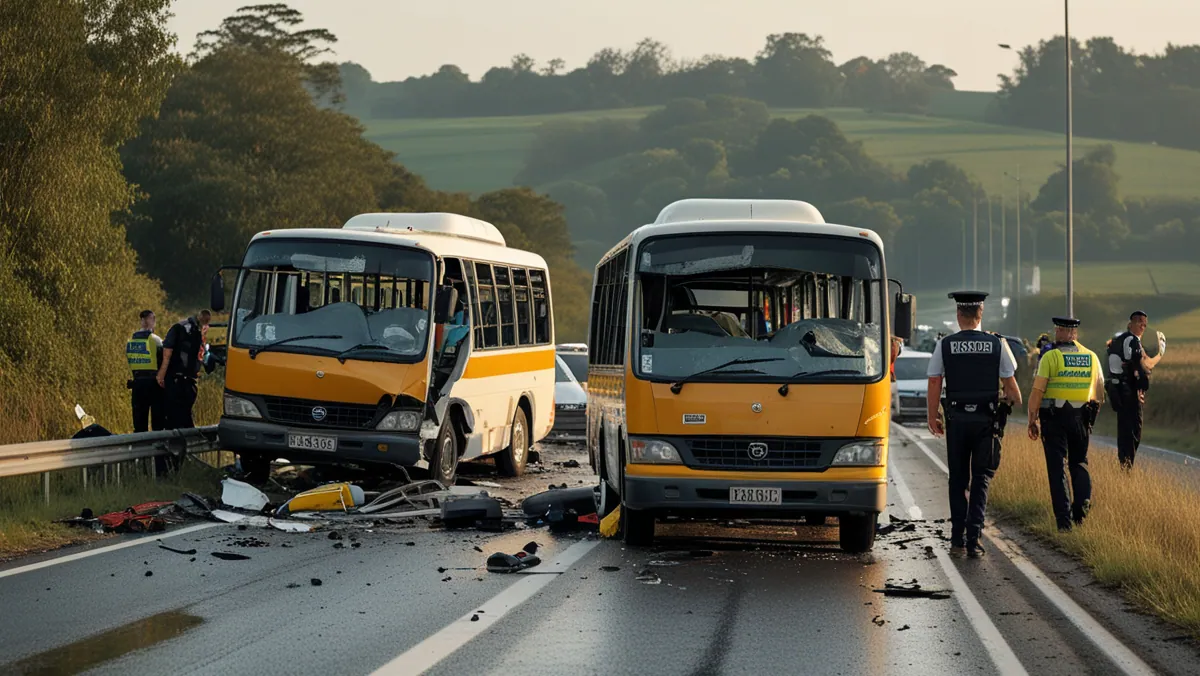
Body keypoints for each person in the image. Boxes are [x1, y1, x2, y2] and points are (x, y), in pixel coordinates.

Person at [926, 291, 1022, 559]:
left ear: (959, 315)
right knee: (981, 479)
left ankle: (956, 538)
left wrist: (933, 416)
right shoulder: (996, 344)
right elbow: (1012, 390)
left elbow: (935, 381)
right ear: (981, 314)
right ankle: (974, 538)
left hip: (956, 421)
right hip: (986, 423)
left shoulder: (945, 345)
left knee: (957, 479)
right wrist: (1008, 398)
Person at [1027, 317, 1105, 531]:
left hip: (1054, 418)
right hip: (1082, 417)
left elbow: (1037, 392)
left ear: (1063, 332)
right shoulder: (1091, 357)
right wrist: (1090, 420)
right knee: (1079, 462)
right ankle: (1081, 506)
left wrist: (1032, 419)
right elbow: (1099, 392)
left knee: (1057, 469)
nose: (1057, 333)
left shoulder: (1051, 356)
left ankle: (1064, 523)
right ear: (1075, 334)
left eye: (1058, 330)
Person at [1105, 311, 1166, 469]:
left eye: (1144, 323)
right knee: (1133, 432)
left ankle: (1124, 465)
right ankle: (1126, 467)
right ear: (1131, 323)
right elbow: (1137, 365)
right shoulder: (1132, 341)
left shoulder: (1118, 340)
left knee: (1124, 430)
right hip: (1129, 392)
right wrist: (1143, 386)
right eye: (1139, 322)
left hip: (1117, 390)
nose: (1142, 326)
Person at [157, 310, 214, 432]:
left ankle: (177, 444)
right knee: (184, 417)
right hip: (187, 381)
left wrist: (161, 374)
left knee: (174, 418)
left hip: (177, 380)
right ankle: (189, 443)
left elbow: (167, 351)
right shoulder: (194, 332)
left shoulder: (181, 328)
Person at [126, 310, 165, 433]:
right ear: (152, 320)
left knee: (139, 425)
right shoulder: (156, 340)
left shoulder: (130, 341)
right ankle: (158, 451)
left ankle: (140, 450)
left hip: (137, 385)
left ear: (141, 321)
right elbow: (165, 360)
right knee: (157, 424)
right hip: (154, 385)